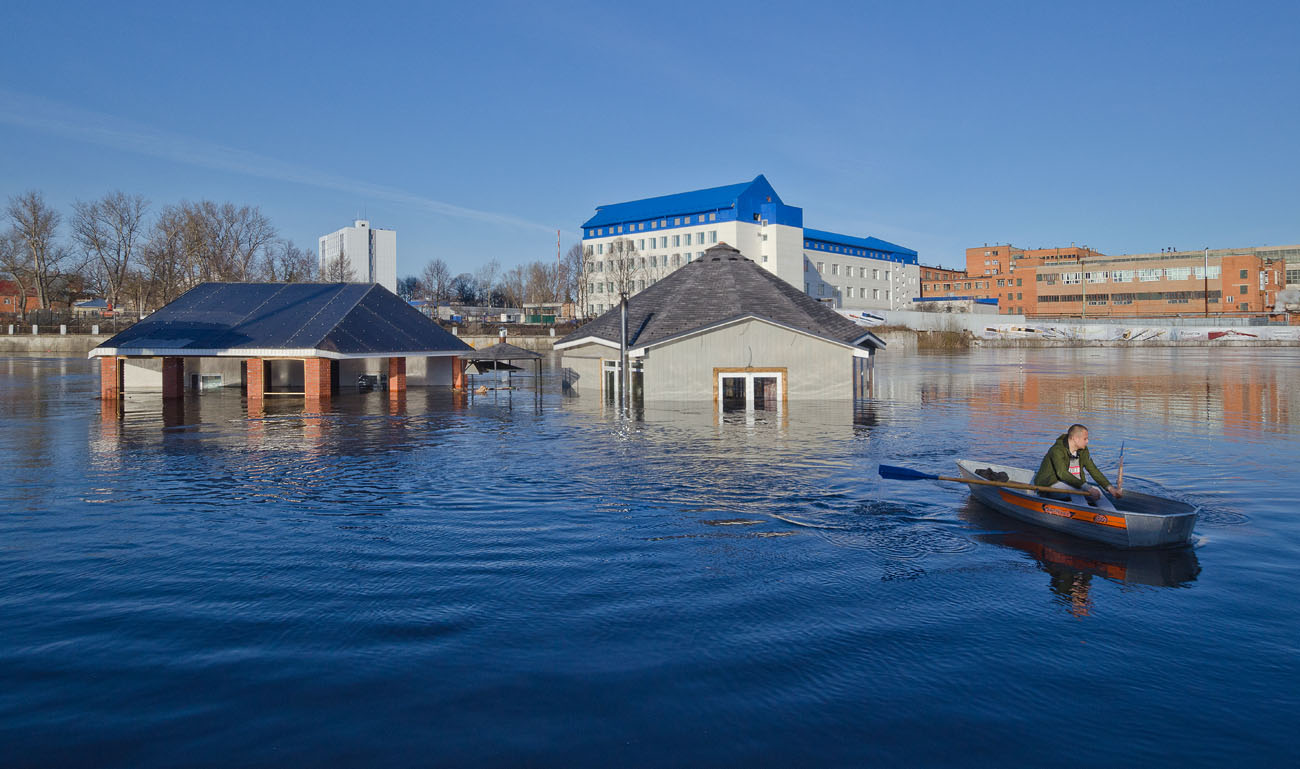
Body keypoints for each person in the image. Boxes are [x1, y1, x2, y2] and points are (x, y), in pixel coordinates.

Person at [1033, 424, 1122, 509]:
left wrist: (1110, 488)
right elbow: (1062, 474)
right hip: (1049, 486)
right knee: (1077, 491)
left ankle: (1110, 513)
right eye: (1085, 439)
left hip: (1074, 485)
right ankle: (1084, 513)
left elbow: (1093, 470)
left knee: (1097, 490)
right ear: (1075, 438)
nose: (1087, 441)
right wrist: (1087, 488)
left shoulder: (1083, 450)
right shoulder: (1057, 450)